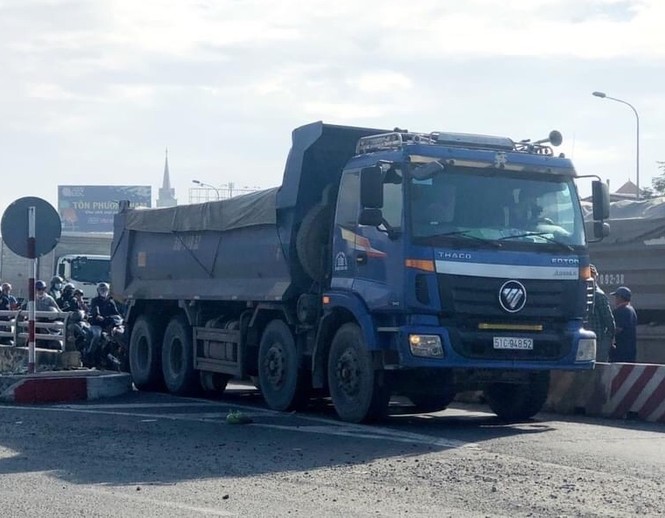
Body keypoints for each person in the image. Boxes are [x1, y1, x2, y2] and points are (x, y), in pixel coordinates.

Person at [586, 265, 615, 362]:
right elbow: (609, 322)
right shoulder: (598, 295)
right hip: (593, 339)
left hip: (594, 339)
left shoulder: (598, 295)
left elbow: (609, 322)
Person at [610, 286, 638, 363]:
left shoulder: (621, 310)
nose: (615, 299)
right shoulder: (631, 310)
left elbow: (618, 329)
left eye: (616, 297)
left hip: (621, 349)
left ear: (620, 298)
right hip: (631, 348)